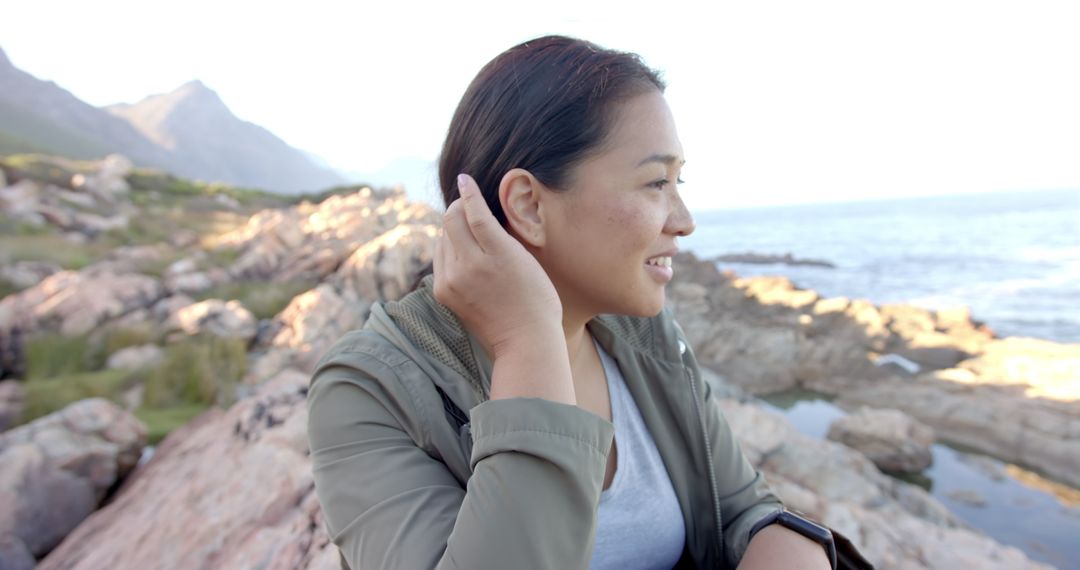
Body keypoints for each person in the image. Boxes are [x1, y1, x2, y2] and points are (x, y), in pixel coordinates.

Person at [307, 35, 837, 569]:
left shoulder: (644, 335)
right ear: (529, 205)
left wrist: (790, 545)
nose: (684, 219)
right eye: (656, 183)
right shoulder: (368, 389)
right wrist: (527, 341)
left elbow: (739, 509)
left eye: (679, 181)